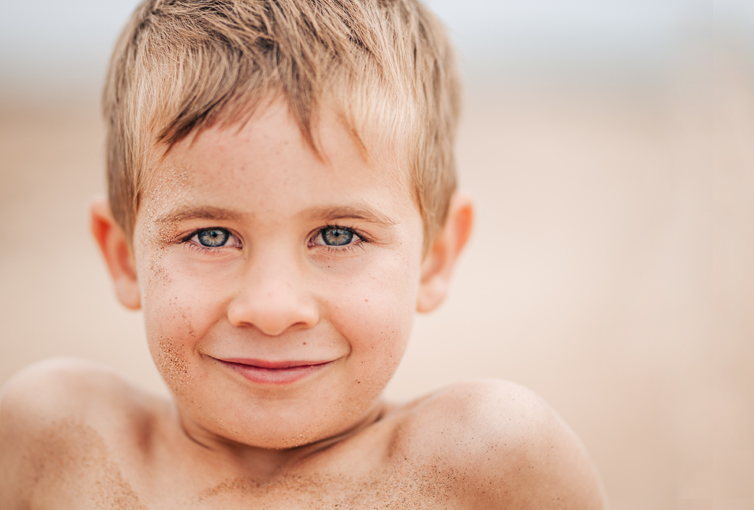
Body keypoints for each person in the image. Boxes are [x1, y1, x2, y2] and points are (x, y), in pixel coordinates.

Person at [0, 0, 607, 507]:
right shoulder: (57, 440)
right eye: (211, 236)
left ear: (436, 256)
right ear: (124, 255)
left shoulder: (487, 459)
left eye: (338, 236)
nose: (271, 308)